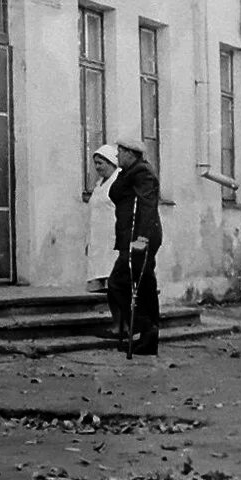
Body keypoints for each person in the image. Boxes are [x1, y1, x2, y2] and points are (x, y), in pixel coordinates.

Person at [107, 137, 162, 356]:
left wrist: (142, 239)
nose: (117, 155)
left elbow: (147, 206)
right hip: (131, 237)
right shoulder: (129, 171)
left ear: (131, 153)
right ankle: (149, 337)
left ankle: (146, 327)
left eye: (120, 151)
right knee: (144, 283)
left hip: (139, 238)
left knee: (119, 283)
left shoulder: (142, 172)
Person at [84, 144, 120, 293]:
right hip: (98, 238)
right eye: (95, 164)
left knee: (112, 273)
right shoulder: (99, 184)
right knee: (96, 277)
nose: (97, 167)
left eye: (100, 163)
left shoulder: (119, 181)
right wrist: (88, 240)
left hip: (113, 235)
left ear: (111, 162)